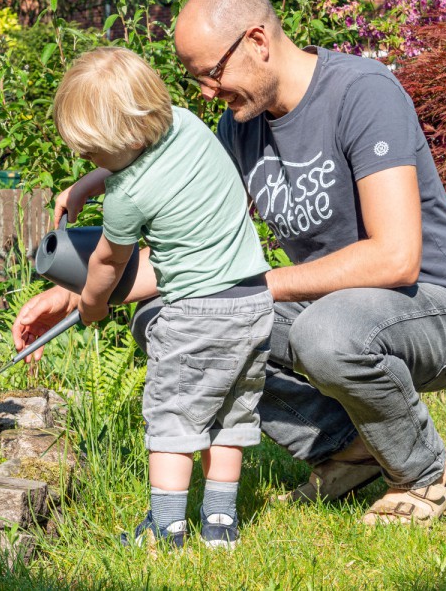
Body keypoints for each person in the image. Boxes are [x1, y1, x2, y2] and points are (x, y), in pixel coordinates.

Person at [17, 0, 446, 526]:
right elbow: (189, 263)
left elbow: (395, 258)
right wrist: (74, 295)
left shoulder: (362, 91)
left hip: (438, 305)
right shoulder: (239, 128)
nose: (206, 92)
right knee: (171, 323)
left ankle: (423, 474)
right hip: (333, 306)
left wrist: (259, 286)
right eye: (195, 80)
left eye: (211, 74)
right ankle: (346, 447)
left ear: (258, 41)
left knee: (323, 334)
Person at [52, 46, 274, 549]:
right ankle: (221, 526)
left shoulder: (127, 197)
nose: (88, 161)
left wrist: (92, 303)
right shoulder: (187, 125)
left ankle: (166, 529)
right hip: (255, 301)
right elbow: (137, 158)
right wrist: (90, 181)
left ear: (127, 139)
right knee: (230, 418)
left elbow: (108, 263)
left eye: (92, 154)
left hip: (195, 313)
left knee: (173, 420)